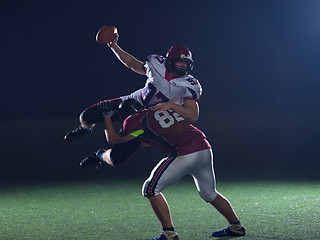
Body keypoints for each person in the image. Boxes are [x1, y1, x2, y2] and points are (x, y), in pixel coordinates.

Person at [81, 99, 246, 240]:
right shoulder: (157, 109)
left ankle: (168, 234)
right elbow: (153, 137)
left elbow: (113, 138)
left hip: (185, 153)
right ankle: (236, 227)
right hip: (204, 148)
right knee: (209, 193)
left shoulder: (133, 120)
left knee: (150, 188)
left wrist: (107, 116)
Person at [64, 31, 201, 143]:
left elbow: (192, 115)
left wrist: (171, 105)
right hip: (134, 102)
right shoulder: (156, 64)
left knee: (120, 150)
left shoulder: (189, 85)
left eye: (186, 63)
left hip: (152, 118)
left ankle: (104, 155)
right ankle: (85, 128)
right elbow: (131, 62)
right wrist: (114, 47)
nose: (183, 65)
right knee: (87, 116)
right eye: (180, 62)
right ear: (170, 61)